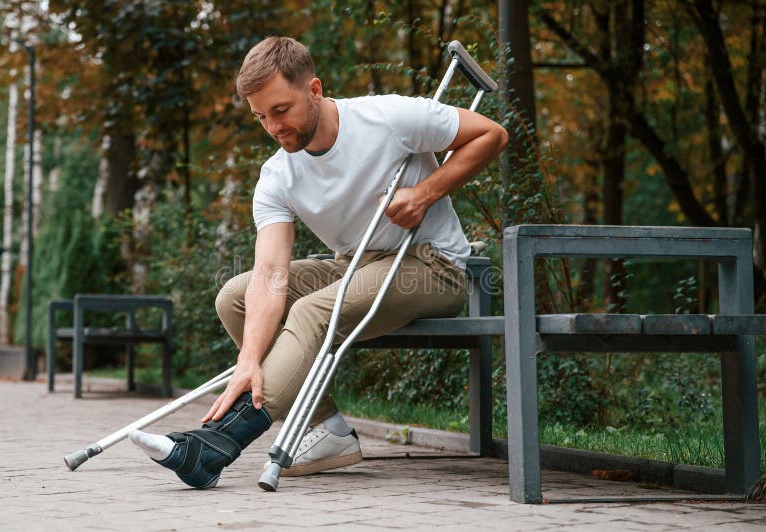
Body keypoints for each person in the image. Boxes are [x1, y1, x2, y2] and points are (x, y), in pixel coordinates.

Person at [129, 36, 508, 489]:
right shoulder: (277, 176)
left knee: (310, 311)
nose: (273, 127)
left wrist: (426, 193)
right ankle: (326, 429)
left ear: (314, 89)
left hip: (432, 265)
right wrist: (248, 360)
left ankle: (215, 446)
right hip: (355, 265)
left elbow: (492, 132)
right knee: (235, 296)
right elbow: (270, 275)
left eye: (281, 110)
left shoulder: (387, 117)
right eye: (261, 117)